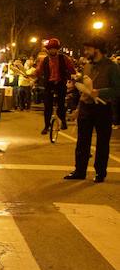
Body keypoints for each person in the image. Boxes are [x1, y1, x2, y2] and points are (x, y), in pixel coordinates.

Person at [64, 39, 120, 183]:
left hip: (103, 108)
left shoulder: (111, 67)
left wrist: (100, 92)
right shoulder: (87, 66)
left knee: (102, 142)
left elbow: (117, 89)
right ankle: (80, 170)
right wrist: (78, 108)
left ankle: (100, 173)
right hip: (86, 107)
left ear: (97, 49)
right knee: (82, 141)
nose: (86, 52)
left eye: (88, 49)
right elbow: (83, 88)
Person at [36, 38, 75, 133]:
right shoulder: (44, 60)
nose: (52, 50)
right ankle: (46, 126)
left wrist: (73, 76)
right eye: (50, 48)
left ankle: (63, 121)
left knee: (61, 105)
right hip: (49, 84)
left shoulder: (64, 58)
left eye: (54, 48)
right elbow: (38, 71)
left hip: (60, 83)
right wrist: (33, 75)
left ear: (57, 49)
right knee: (47, 107)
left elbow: (71, 69)